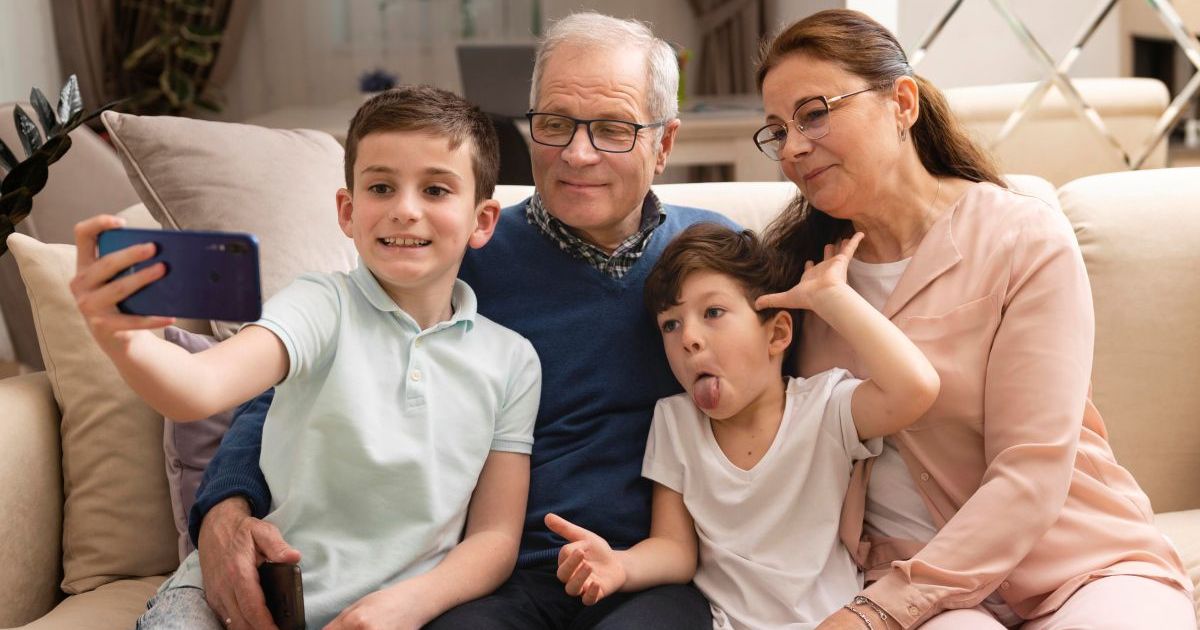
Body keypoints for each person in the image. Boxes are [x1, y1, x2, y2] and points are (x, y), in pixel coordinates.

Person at [186, 12, 739, 630]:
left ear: (663, 144)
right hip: (495, 579)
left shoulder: (714, 263)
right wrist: (222, 510)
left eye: (612, 129)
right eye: (555, 124)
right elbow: (288, 384)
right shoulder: (456, 251)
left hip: (648, 574)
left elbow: (803, 401)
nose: (578, 154)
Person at [750, 9, 1195, 630]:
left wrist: (879, 611)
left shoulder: (1022, 237)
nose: (793, 147)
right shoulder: (794, 279)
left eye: (815, 113)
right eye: (777, 130)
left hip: (1079, 562)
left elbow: (1032, 467)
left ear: (901, 103)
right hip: (912, 578)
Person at [70, 85, 542, 629]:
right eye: (381, 187)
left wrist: (411, 603)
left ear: (483, 221)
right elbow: (197, 388)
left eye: (436, 190)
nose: (405, 211)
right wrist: (121, 339)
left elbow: (495, 537)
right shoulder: (319, 305)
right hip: (234, 599)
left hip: (389, 615)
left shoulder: (513, 361)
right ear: (348, 210)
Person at [544, 223, 940, 630]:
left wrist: (833, 298)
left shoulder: (824, 406)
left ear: (778, 333)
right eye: (670, 324)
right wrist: (620, 565)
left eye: (713, 313)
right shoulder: (675, 420)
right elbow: (676, 549)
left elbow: (915, 388)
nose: (689, 339)